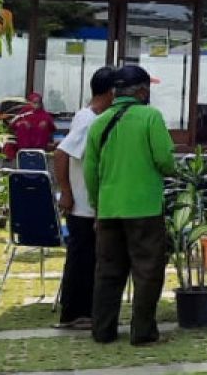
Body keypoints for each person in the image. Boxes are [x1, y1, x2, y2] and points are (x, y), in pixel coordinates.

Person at [83, 65, 174, 346]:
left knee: (108, 271)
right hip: (144, 208)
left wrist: (98, 206)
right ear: (143, 91)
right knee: (147, 271)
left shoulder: (99, 122)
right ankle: (143, 331)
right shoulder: (151, 117)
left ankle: (103, 330)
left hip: (109, 208)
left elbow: (90, 171)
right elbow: (165, 161)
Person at [52, 66, 116, 331]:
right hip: (82, 205)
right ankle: (77, 313)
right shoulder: (90, 121)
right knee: (83, 259)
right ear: (111, 92)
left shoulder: (88, 116)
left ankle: (81, 311)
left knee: (85, 258)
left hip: (85, 203)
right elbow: (61, 153)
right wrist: (66, 191)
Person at [2, 91, 56, 164]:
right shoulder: (23, 113)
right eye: (34, 102)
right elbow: (12, 125)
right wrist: (22, 123)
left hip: (39, 148)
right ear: (29, 102)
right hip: (23, 148)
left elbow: (52, 128)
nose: (37, 105)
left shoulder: (44, 115)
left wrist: (45, 125)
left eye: (38, 102)